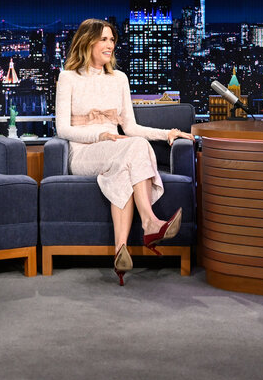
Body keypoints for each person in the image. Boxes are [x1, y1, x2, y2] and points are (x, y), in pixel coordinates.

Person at [55, 19, 194, 285]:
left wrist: (167, 133)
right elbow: (62, 129)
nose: (110, 45)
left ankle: (121, 251)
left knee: (124, 166)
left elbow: (130, 127)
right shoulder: (68, 77)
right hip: (84, 153)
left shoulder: (119, 79)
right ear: (87, 42)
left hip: (115, 150)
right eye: (104, 39)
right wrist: (100, 135)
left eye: (112, 40)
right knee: (134, 148)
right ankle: (150, 222)